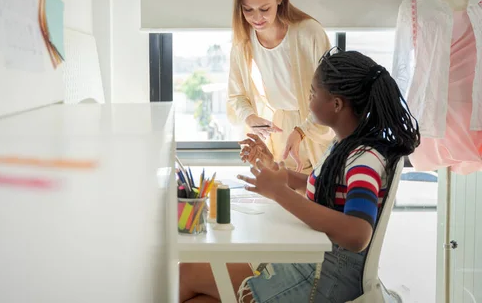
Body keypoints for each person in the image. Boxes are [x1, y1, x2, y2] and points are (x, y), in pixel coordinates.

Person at [179, 50, 420, 303]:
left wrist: (279, 193)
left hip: (324, 281)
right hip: (312, 266)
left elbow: (358, 233)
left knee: (186, 275)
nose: (308, 99)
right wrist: (275, 169)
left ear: (336, 104)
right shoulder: (347, 146)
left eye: (313, 93)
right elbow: (326, 190)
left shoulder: (365, 160)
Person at [227, 0, 334, 174]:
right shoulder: (243, 41)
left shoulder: (309, 33)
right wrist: (251, 117)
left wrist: (303, 131)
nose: (256, 18)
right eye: (248, 10)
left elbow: (331, 94)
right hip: (279, 129)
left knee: (317, 195)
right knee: (278, 198)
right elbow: (236, 94)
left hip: (314, 126)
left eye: (264, 9)